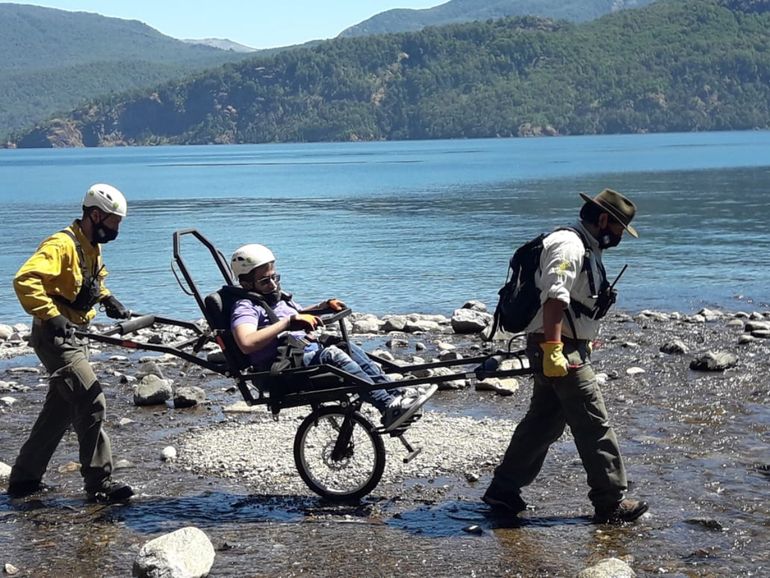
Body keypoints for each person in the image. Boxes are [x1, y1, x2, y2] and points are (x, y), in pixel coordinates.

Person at [483, 188, 649, 524]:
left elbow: (574, 302)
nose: (619, 236)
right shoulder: (569, 245)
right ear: (603, 219)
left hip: (562, 345)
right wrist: (555, 349)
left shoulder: (586, 245)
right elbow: (554, 299)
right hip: (557, 348)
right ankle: (610, 501)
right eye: (618, 229)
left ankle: (503, 490)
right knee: (593, 423)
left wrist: (581, 339)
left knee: (543, 422)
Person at [7, 184, 134, 503]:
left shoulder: (91, 245)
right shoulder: (61, 244)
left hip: (77, 333)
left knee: (61, 409)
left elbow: (92, 280)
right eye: (113, 221)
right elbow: (25, 280)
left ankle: (24, 480)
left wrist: (108, 298)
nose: (116, 229)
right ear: (95, 214)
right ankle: (99, 482)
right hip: (56, 337)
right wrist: (51, 316)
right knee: (92, 399)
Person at [229, 243, 437, 431]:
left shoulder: (276, 299)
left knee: (346, 347)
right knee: (332, 355)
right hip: (281, 369)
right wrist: (288, 323)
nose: (273, 285)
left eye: (275, 277)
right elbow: (246, 343)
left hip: (301, 355)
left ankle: (397, 397)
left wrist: (322, 307)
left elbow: (299, 315)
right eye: (265, 281)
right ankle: (385, 405)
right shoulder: (245, 307)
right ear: (247, 283)